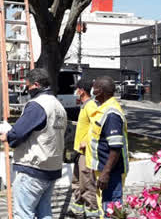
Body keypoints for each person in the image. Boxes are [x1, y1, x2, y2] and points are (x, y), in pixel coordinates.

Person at [0, 68, 67, 219]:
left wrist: (7, 137)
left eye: (28, 86)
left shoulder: (37, 105)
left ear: (36, 85)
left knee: (23, 214)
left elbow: (18, 133)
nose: (26, 90)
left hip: (33, 168)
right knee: (44, 213)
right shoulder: (59, 105)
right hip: (52, 167)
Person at [85, 76, 128, 218]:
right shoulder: (103, 109)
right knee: (105, 208)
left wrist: (106, 173)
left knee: (111, 209)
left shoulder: (111, 114)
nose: (92, 90)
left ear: (100, 91)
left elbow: (115, 148)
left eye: (95, 87)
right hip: (103, 169)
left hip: (111, 173)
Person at [67, 79, 99, 218]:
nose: (75, 92)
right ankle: (77, 210)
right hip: (79, 153)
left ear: (81, 91)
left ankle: (92, 212)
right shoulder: (85, 106)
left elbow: (97, 125)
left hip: (86, 153)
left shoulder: (91, 105)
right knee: (77, 182)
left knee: (87, 184)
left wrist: (86, 141)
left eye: (77, 89)